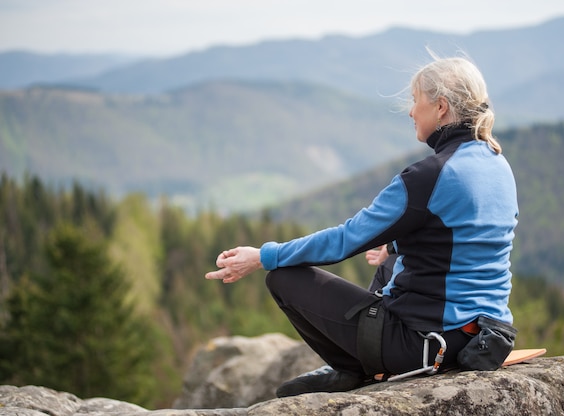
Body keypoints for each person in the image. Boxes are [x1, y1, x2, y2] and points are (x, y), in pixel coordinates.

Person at [205, 54, 518, 397]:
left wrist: (263, 256)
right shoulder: (497, 163)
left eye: (416, 101)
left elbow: (345, 239)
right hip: (482, 339)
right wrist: (396, 246)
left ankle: (353, 367)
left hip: (425, 346)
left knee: (283, 276)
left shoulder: (429, 176)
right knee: (388, 259)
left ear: (441, 107)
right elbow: (469, 239)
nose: (412, 111)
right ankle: (359, 362)